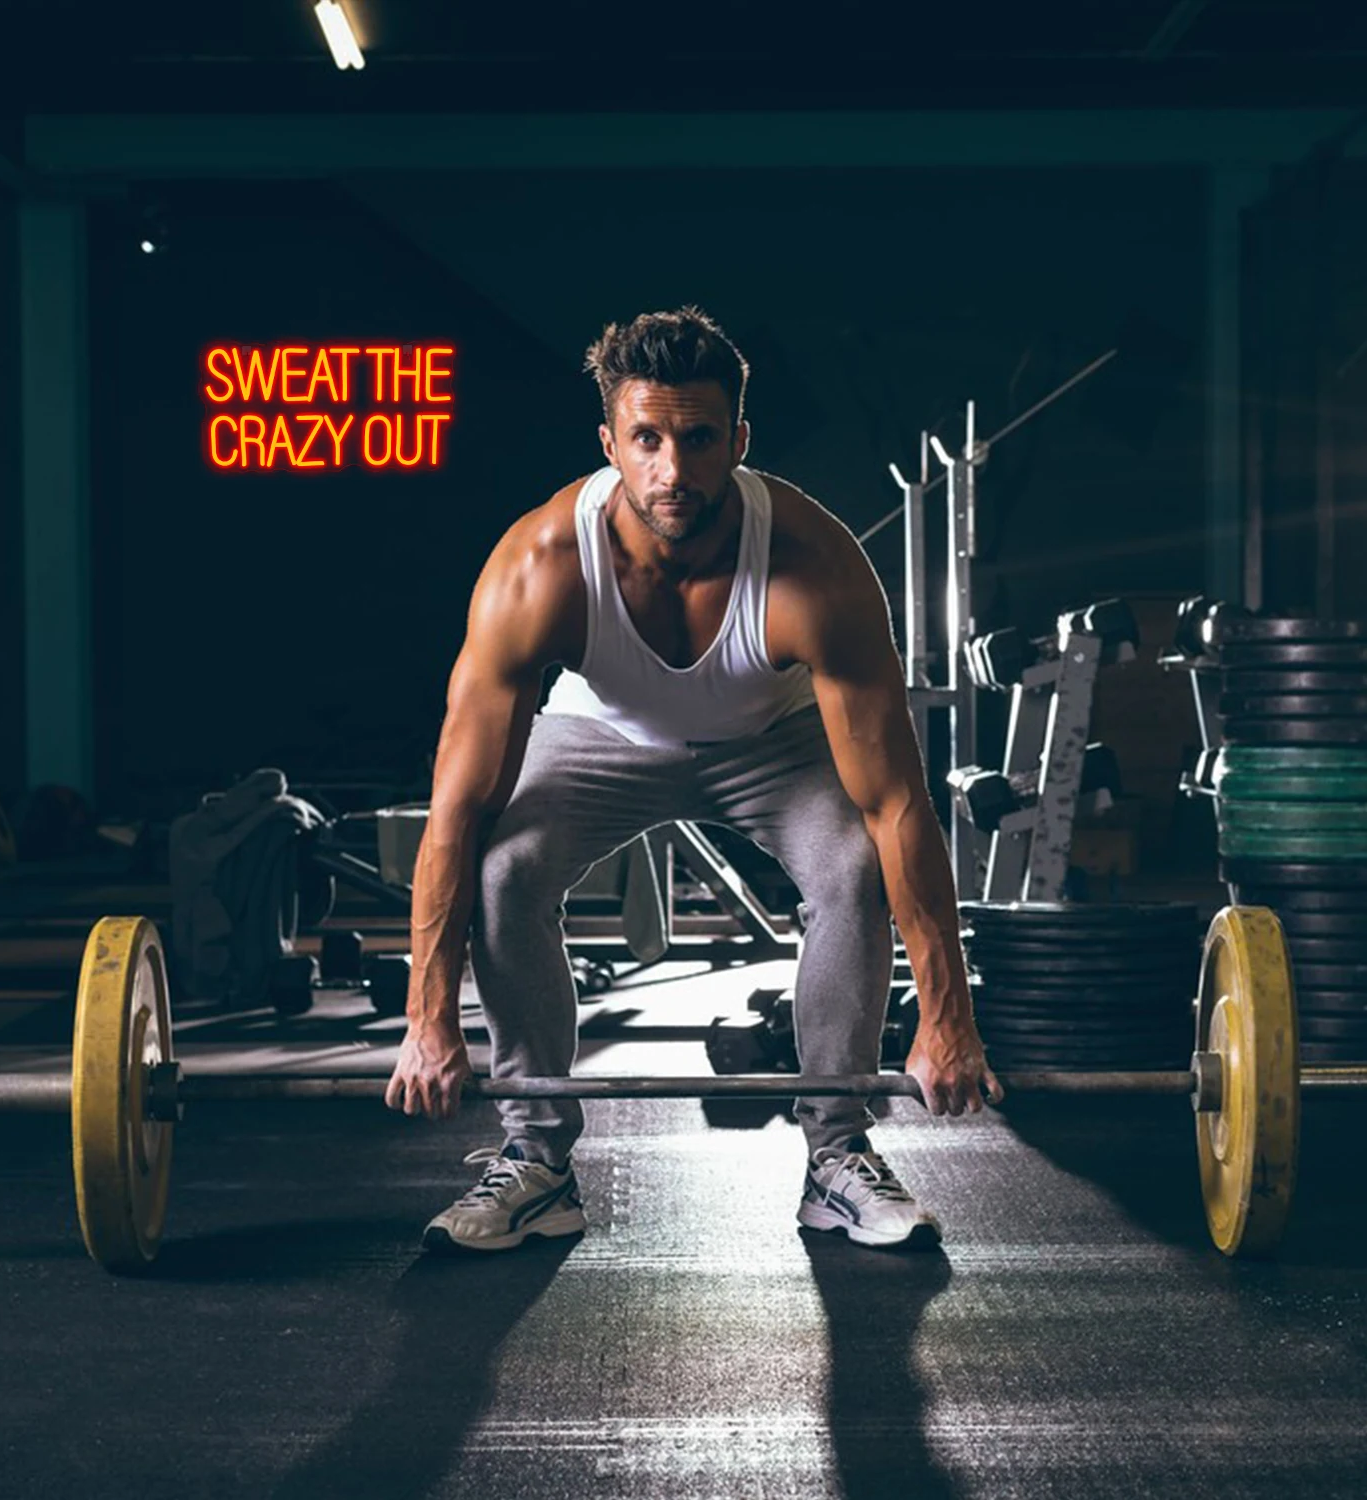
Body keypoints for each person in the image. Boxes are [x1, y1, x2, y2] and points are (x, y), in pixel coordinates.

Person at [385, 306, 1001, 1253]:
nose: (673, 471)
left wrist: (949, 1019)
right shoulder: (540, 567)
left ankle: (836, 1157)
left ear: (739, 441)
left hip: (774, 739)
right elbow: (456, 813)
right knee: (506, 869)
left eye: (699, 439)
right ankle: (538, 1163)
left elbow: (896, 806)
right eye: (647, 439)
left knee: (850, 870)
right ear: (610, 442)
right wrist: (429, 1020)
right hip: (601, 737)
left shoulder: (813, 566)